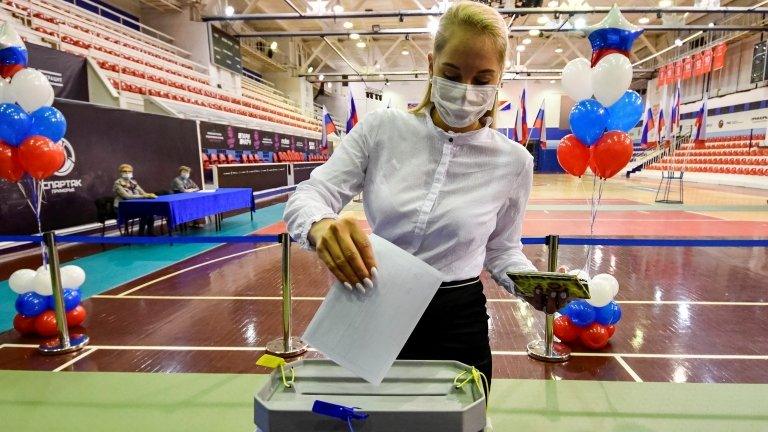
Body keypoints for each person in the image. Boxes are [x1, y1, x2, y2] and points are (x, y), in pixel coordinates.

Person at [284, 2, 563, 393]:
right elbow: (310, 194)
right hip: (372, 301)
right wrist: (320, 224)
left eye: (483, 79)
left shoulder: (514, 161)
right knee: (363, 419)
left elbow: (502, 250)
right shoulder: (382, 129)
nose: (466, 90)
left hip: (457, 319)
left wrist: (531, 284)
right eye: (451, 73)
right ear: (431, 65)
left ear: (500, 79)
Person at [113, 163, 156, 236]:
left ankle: (150, 233)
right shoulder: (117, 183)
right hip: (121, 207)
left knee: (150, 212)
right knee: (145, 213)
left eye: (129, 171)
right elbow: (127, 197)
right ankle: (141, 235)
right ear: (120, 173)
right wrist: (144, 196)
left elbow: (143, 192)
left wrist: (149, 195)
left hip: (134, 205)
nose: (127, 173)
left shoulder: (133, 182)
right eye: (124, 171)